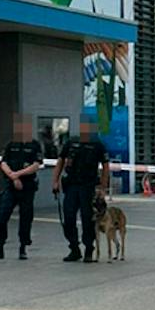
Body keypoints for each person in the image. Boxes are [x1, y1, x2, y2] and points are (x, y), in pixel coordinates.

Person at [53, 109, 110, 263]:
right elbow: (60, 162)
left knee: (87, 219)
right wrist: (55, 181)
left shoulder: (97, 145)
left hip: (88, 187)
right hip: (71, 186)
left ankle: (88, 248)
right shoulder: (71, 142)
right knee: (69, 218)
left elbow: (105, 166)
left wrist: (103, 189)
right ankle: (74, 248)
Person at [0, 113, 44, 260]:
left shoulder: (34, 145)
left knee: (25, 217)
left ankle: (23, 247)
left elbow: (36, 165)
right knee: (2, 216)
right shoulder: (11, 144)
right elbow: (3, 162)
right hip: (11, 185)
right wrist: (12, 176)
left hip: (27, 186)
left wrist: (18, 175)